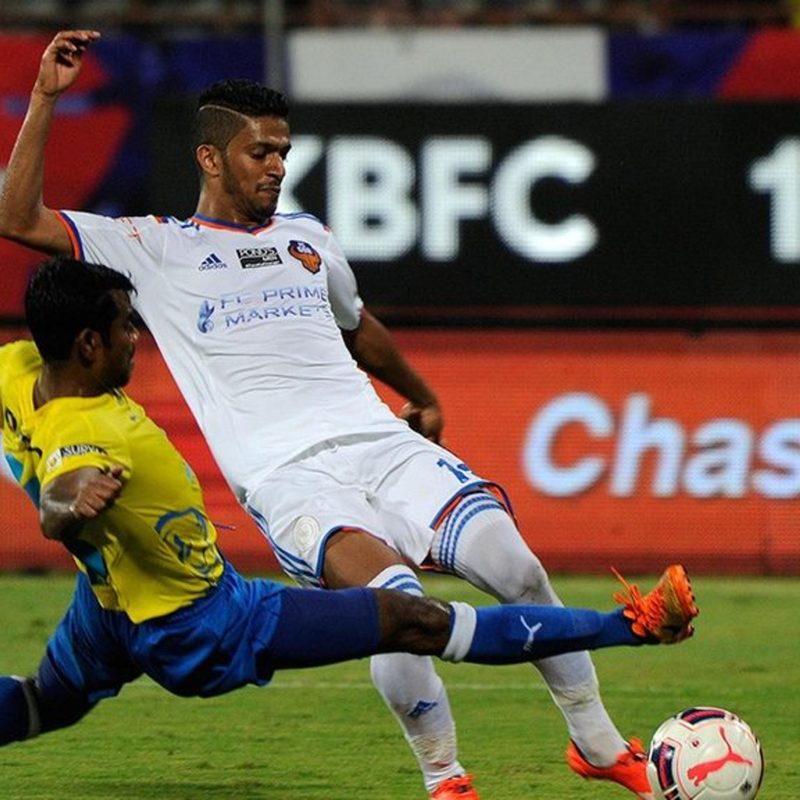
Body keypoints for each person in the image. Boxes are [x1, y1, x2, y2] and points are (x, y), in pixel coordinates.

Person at [0, 30, 680, 799]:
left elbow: (357, 327)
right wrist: (46, 97)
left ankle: (598, 745)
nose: (277, 166)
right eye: (260, 152)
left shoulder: (308, 239)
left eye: (284, 151)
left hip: (381, 443)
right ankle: (446, 777)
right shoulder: (153, 249)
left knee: (517, 567)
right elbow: (18, 217)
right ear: (210, 158)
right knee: (396, 603)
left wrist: (420, 393)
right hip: (289, 478)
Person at [0, 257, 698, 769]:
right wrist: (68, 505)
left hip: (106, 609)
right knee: (415, 620)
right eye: (125, 327)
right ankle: (629, 626)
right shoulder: (82, 427)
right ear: (88, 345)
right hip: (203, 623)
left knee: (42, 703)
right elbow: (63, 492)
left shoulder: (18, 370)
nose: (136, 337)